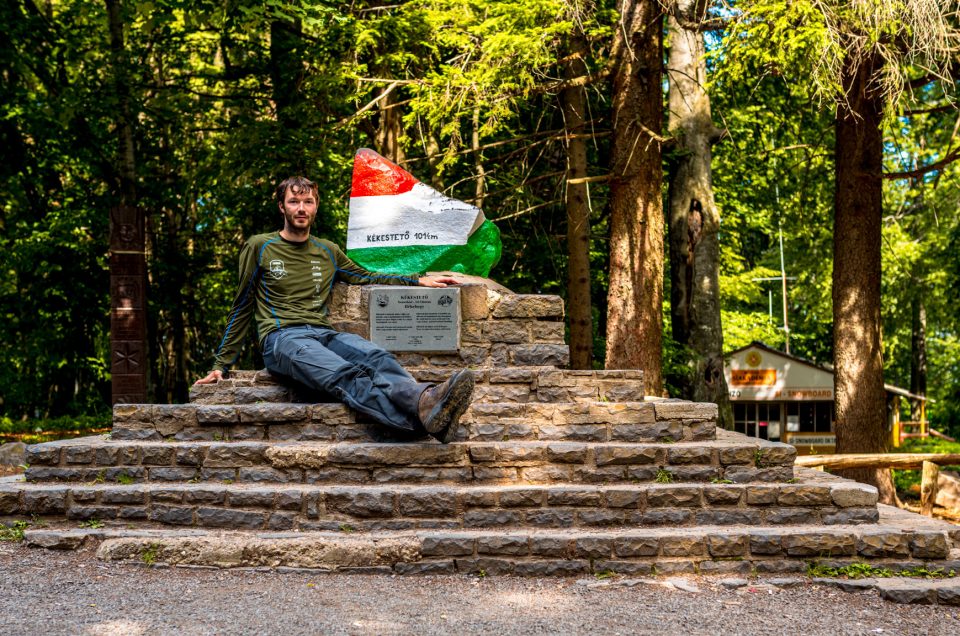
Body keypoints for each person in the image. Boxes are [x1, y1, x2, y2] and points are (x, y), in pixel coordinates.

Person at [194, 176, 475, 443]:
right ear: (282, 206)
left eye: (308, 202)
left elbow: (367, 276)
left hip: (323, 334)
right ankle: (419, 423)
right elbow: (242, 305)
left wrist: (417, 279)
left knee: (376, 357)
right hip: (281, 339)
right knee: (344, 374)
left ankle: (425, 402)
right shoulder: (260, 246)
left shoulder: (327, 250)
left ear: (316, 206)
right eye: (294, 202)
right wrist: (221, 364)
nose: (301, 208)